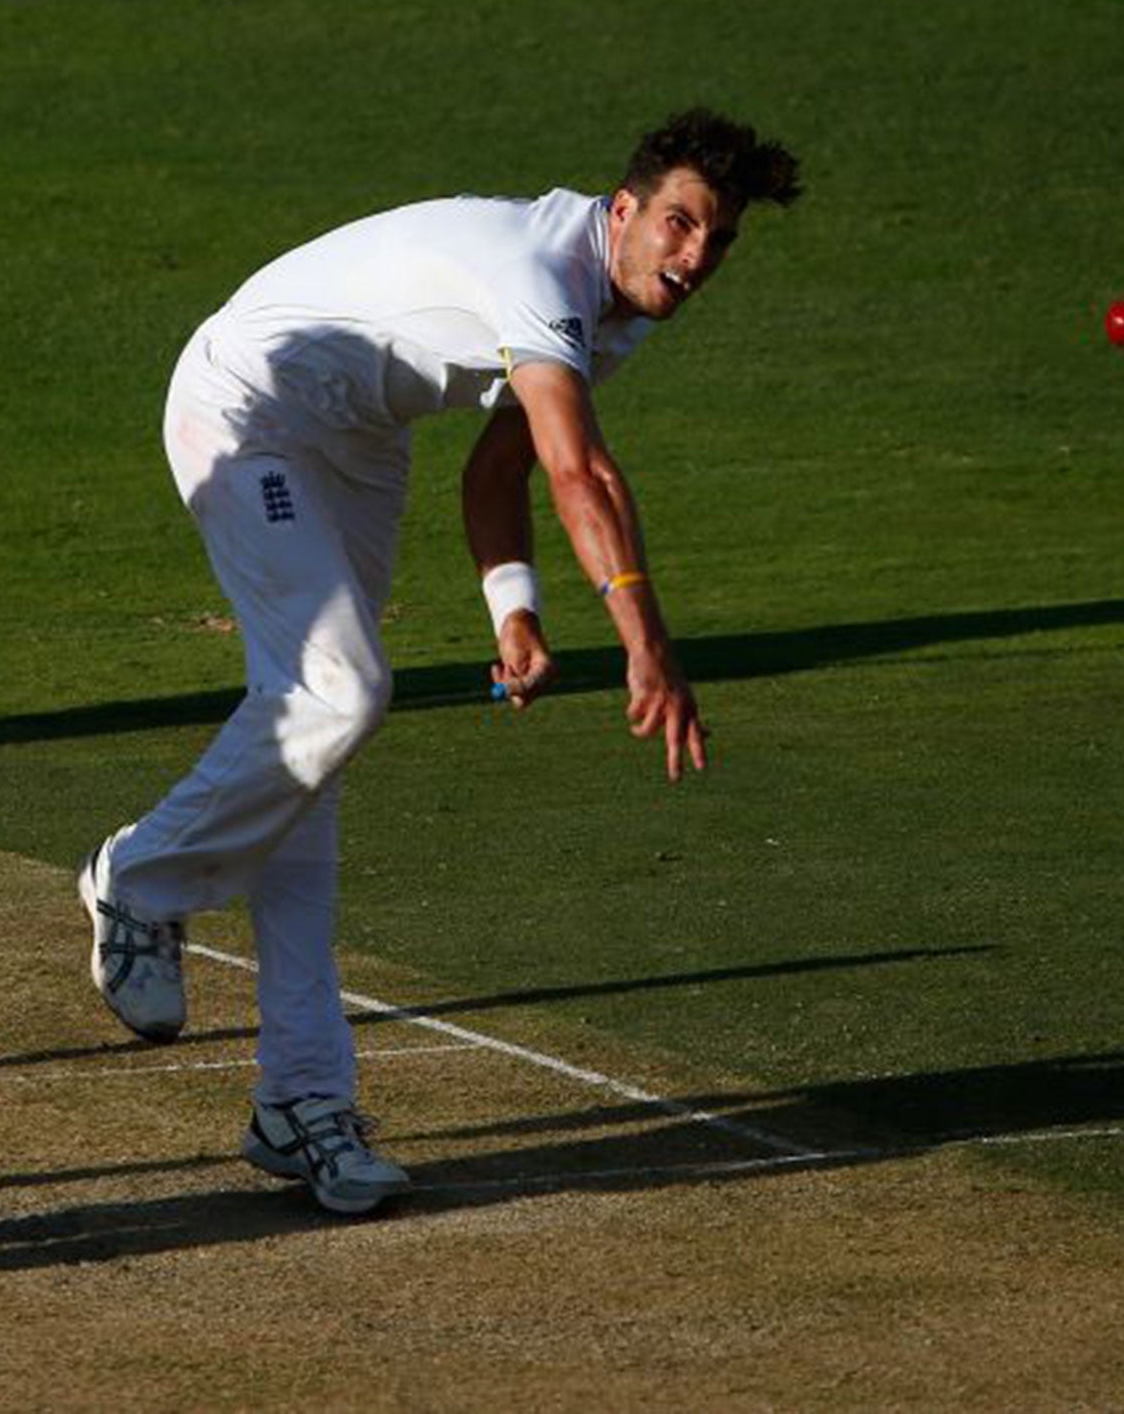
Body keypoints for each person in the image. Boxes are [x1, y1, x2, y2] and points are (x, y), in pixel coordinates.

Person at [80, 108, 802, 1214]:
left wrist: (510, 609)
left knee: (310, 751)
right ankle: (136, 880)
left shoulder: (617, 308)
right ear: (624, 212)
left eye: (716, 240)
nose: (693, 256)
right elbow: (581, 476)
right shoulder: (536, 272)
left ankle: (301, 1105)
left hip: (357, 443)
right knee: (342, 694)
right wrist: (644, 647)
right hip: (247, 403)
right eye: (677, 223)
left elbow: (496, 471)